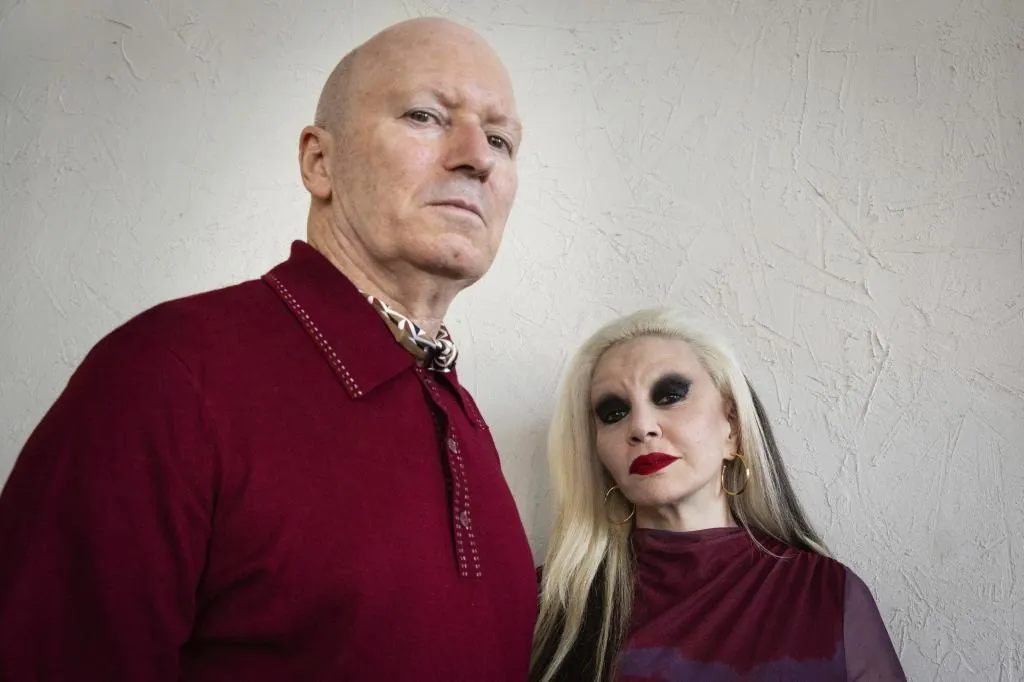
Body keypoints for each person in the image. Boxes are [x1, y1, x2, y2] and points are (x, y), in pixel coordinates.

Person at [0, 17, 536, 681]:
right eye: (426, 116)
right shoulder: (167, 376)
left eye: (500, 139)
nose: (477, 156)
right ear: (319, 162)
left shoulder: (458, 410)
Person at [530, 308, 906, 681]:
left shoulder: (827, 596)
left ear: (732, 427)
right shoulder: (549, 603)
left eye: (669, 395)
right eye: (614, 413)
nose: (641, 427)